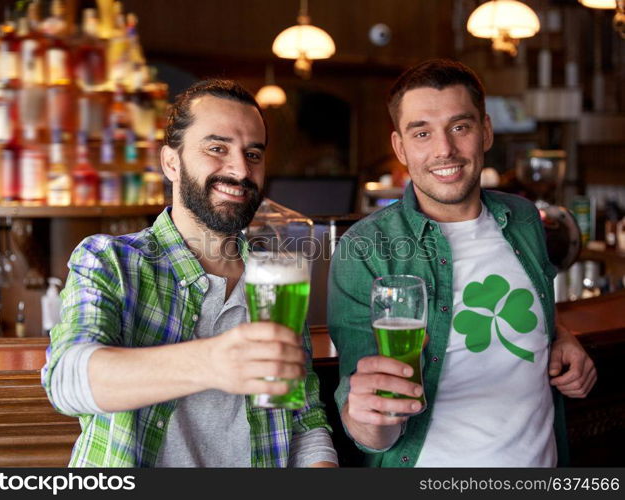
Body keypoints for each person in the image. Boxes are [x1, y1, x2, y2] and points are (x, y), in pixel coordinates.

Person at [42, 79, 338, 468]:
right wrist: (212, 362)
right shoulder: (113, 260)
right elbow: (67, 381)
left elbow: (303, 417)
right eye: (217, 148)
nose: (239, 169)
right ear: (171, 163)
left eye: (253, 154)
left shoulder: (276, 276)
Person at [327, 59, 596, 467]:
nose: (444, 150)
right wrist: (369, 417)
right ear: (400, 147)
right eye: (422, 132)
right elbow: (368, 421)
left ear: (485, 131)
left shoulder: (523, 218)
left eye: (460, 127)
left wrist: (559, 334)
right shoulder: (364, 248)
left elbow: (526, 302)